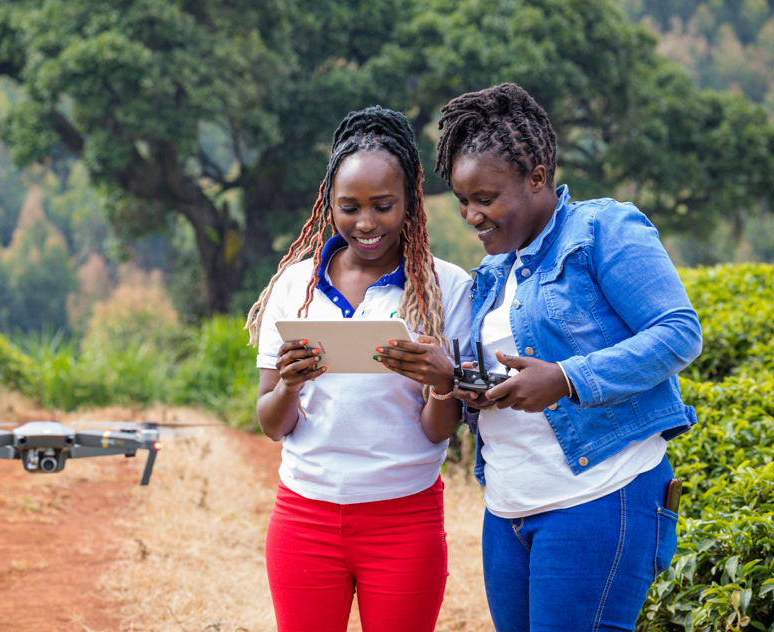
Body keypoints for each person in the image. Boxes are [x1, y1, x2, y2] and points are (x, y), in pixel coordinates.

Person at [433, 83, 702, 632]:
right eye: (463, 201)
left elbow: (679, 332)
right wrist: (454, 381)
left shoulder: (602, 228)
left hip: (597, 497)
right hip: (507, 509)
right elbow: (505, 382)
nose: (471, 215)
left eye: (485, 198)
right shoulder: (490, 276)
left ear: (537, 177)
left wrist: (567, 379)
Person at [245, 106, 472, 632]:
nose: (365, 223)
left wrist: (442, 384)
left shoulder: (444, 289)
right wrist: (290, 384)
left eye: (383, 206)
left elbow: (439, 430)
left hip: (405, 519)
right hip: (305, 516)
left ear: (411, 202)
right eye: (349, 207)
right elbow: (271, 422)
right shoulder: (294, 287)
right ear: (329, 203)